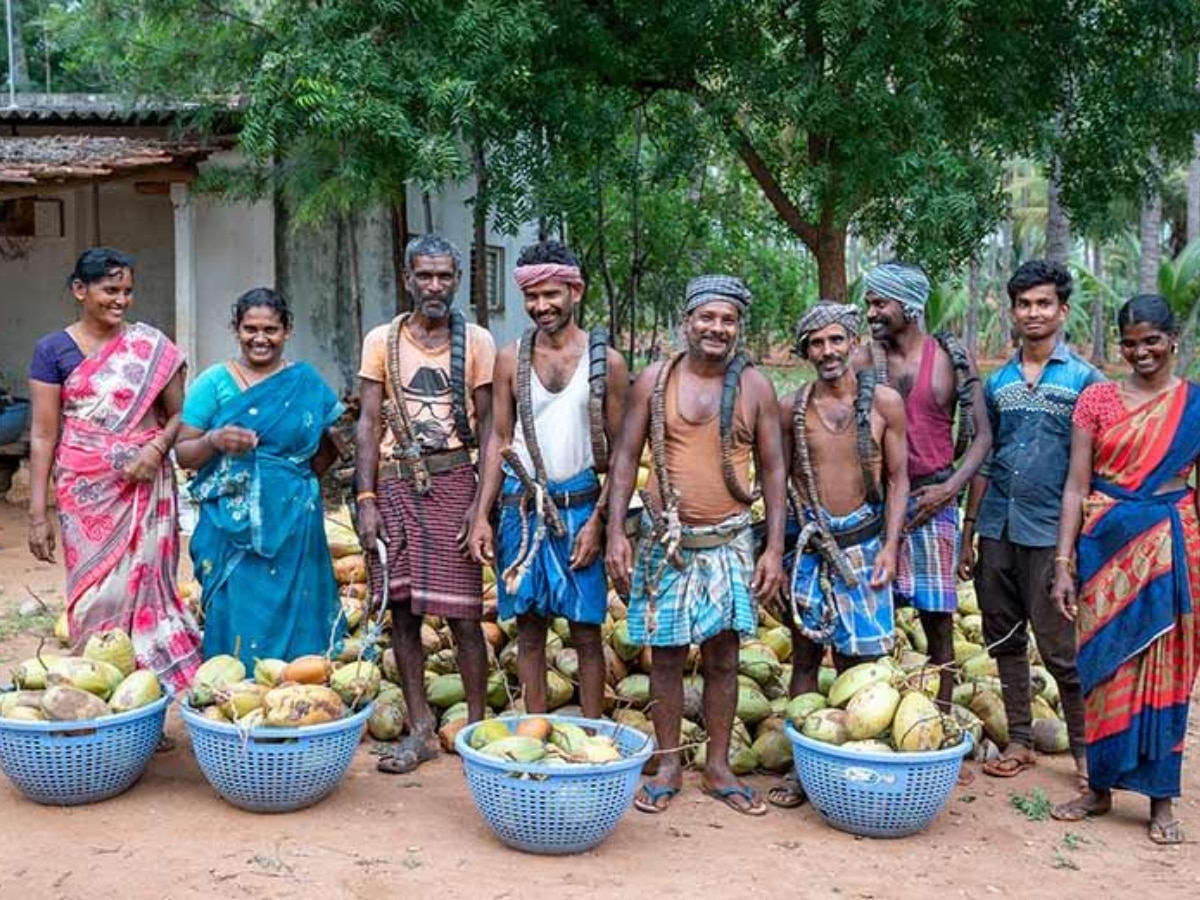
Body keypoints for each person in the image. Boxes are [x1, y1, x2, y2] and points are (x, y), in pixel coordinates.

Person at [605, 275, 786, 816]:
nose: (717, 328)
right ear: (687, 321)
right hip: (667, 542)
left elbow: (774, 472)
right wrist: (617, 529)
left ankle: (719, 767)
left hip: (728, 540)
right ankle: (666, 764)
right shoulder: (656, 381)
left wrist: (772, 547)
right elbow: (622, 460)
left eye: (727, 320)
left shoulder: (755, 387)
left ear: (738, 327)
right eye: (707, 317)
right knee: (665, 656)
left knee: (724, 658)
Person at [1048, 294, 1200, 845]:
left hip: (1172, 544)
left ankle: (1161, 800)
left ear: (1172, 339)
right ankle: (1098, 789)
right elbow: (1074, 486)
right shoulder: (1096, 402)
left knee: (1168, 672)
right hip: (1104, 545)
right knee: (1101, 667)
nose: (1141, 352)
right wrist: (1064, 562)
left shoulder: (1195, 406)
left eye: (1151, 340)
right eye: (1130, 342)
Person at [27, 248, 201, 692]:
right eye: (110, 290)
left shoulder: (152, 348)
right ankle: (102, 695)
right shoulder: (53, 351)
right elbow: (44, 435)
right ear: (80, 290)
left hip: (146, 485)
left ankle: (147, 697)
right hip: (84, 492)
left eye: (127, 291)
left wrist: (156, 449)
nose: (121, 300)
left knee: (144, 595)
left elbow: (183, 415)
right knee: (92, 596)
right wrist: (37, 513)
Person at [467, 241, 628, 719]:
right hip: (521, 506)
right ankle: (536, 727)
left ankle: (594, 735)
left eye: (552, 294)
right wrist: (481, 516)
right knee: (530, 628)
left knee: (585, 628)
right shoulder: (509, 358)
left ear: (575, 291)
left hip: (580, 505)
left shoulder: (607, 364)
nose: (542, 306)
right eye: (532, 297)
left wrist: (601, 522)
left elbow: (622, 455)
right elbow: (498, 439)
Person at [356, 234, 495, 774]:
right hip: (393, 485)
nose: (434, 286)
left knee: (464, 616)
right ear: (407, 279)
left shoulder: (476, 341)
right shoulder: (381, 340)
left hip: (455, 480)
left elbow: (489, 432)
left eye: (444, 277)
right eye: (425, 276)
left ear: (456, 281)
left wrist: (480, 505)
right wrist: (366, 498)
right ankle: (421, 730)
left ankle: (478, 730)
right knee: (403, 612)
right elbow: (368, 422)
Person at [958, 261, 1102, 782]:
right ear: (1013, 312)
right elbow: (984, 458)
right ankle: (1021, 738)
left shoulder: (1087, 381)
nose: (1033, 313)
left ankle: (1087, 753)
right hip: (999, 526)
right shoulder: (998, 384)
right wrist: (969, 533)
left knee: (1062, 649)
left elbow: (1095, 472)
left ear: (1062, 311)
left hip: (1051, 534)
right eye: (1024, 304)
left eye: (1044, 303)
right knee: (1003, 638)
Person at [769, 301, 909, 808]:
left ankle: (860, 762)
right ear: (805, 350)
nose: (827, 351)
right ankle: (799, 767)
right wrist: (776, 552)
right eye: (816, 343)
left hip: (866, 544)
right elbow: (778, 484)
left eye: (835, 341)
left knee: (865, 664)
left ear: (852, 343)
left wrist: (891, 547)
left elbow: (899, 481)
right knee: (804, 657)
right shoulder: (792, 408)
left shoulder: (885, 404)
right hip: (810, 547)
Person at [174, 289, 344, 668]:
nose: (260, 338)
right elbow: (183, 451)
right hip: (231, 528)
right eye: (250, 328)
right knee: (237, 607)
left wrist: (293, 487)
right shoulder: (214, 382)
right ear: (237, 330)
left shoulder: (306, 382)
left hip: (296, 522)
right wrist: (215, 440)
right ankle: (235, 692)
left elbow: (333, 442)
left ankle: (300, 694)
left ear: (287, 331)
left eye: (271, 329)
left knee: (300, 610)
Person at [855, 261, 991, 709]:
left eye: (880, 303)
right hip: (874, 504)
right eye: (869, 303)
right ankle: (873, 709)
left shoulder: (950, 357)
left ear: (910, 307)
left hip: (934, 501)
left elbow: (983, 437)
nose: (871, 312)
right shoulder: (862, 359)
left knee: (938, 623)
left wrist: (951, 488)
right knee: (875, 618)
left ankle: (942, 715)